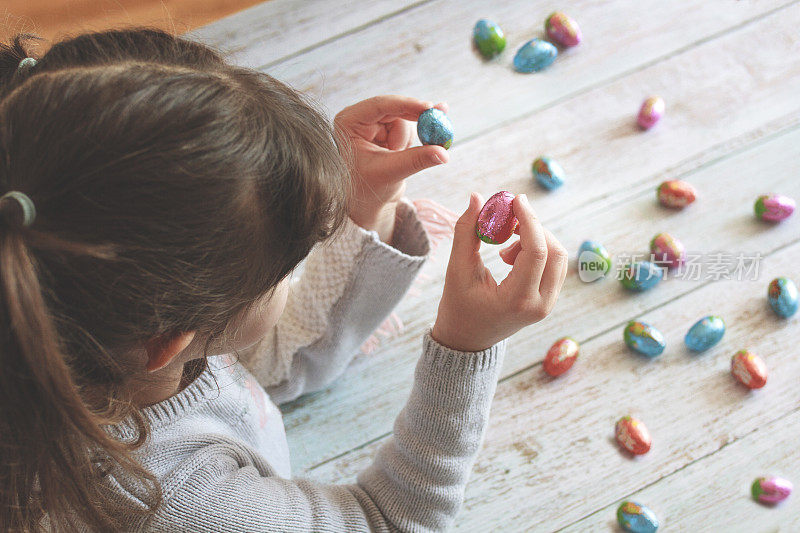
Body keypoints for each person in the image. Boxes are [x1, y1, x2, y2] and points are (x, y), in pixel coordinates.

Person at [0, 28, 568, 532]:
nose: (294, 269)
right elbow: (392, 519)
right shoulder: (179, 505)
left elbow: (267, 362)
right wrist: (464, 348)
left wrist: (363, 208)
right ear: (165, 343)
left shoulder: (98, 327)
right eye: (281, 269)